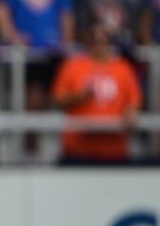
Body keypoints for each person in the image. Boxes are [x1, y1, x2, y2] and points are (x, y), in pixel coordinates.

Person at [51, 18, 142, 164]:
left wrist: (131, 111)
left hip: (114, 149)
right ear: (88, 42)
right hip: (78, 149)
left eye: (104, 40)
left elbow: (133, 100)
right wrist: (78, 97)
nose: (100, 45)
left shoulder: (123, 68)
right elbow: (57, 99)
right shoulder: (72, 66)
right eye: (95, 40)